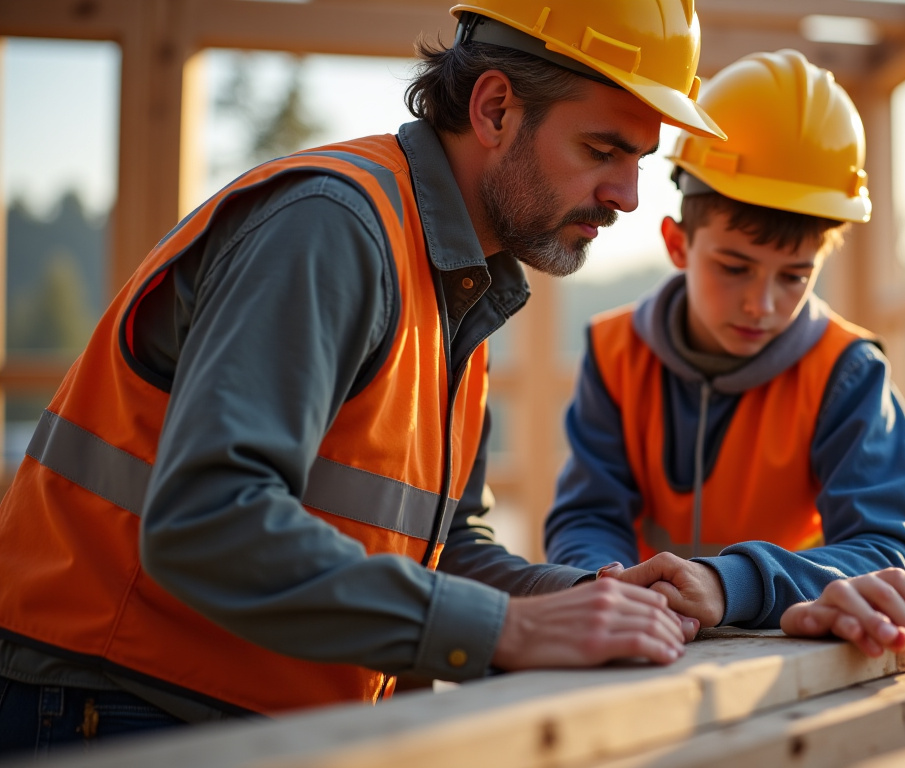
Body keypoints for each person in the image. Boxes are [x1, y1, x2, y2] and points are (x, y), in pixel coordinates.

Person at [0, 0, 727, 754]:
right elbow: (208, 520)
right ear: (495, 108)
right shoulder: (333, 227)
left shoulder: (459, 281)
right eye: (603, 149)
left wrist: (582, 600)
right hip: (108, 706)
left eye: (639, 159)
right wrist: (509, 628)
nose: (628, 196)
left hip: (238, 713)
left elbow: (441, 552)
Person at [544, 50, 905, 662]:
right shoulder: (614, 352)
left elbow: (891, 550)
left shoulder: (849, 371)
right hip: (645, 640)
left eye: (793, 276)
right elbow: (587, 513)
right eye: (734, 267)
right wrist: (607, 584)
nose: (761, 303)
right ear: (679, 244)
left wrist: (731, 584)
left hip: (787, 647)